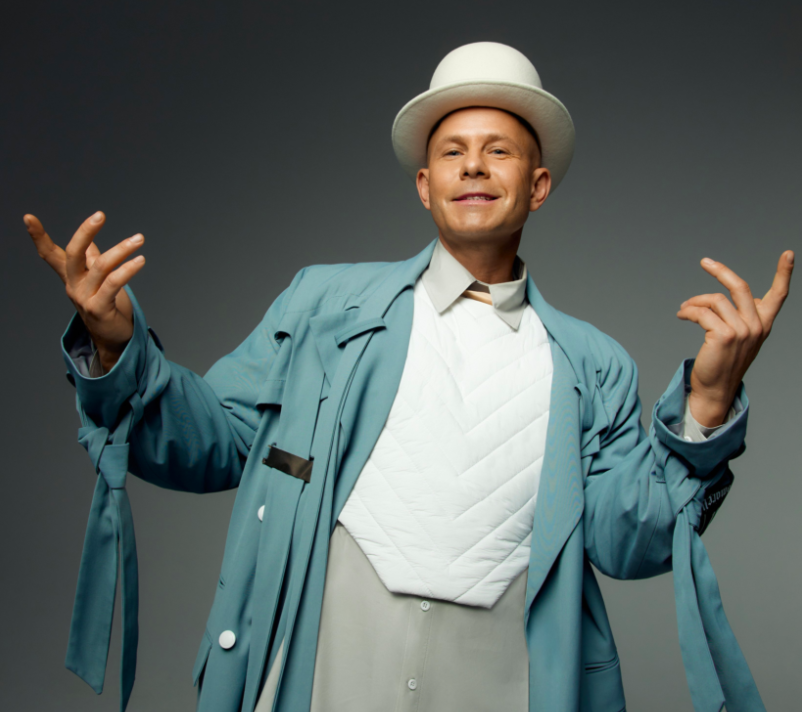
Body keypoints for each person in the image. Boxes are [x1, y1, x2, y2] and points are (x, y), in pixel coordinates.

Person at [25, 42, 792, 712]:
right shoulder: (323, 306)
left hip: (507, 675)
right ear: (426, 185)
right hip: (329, 659)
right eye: (454, 151)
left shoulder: (593, 365)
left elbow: (632, 541)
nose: (474, 165)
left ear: (538, 186)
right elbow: (214, 442)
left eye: (498, 150)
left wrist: (708, 401)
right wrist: (117, 346)